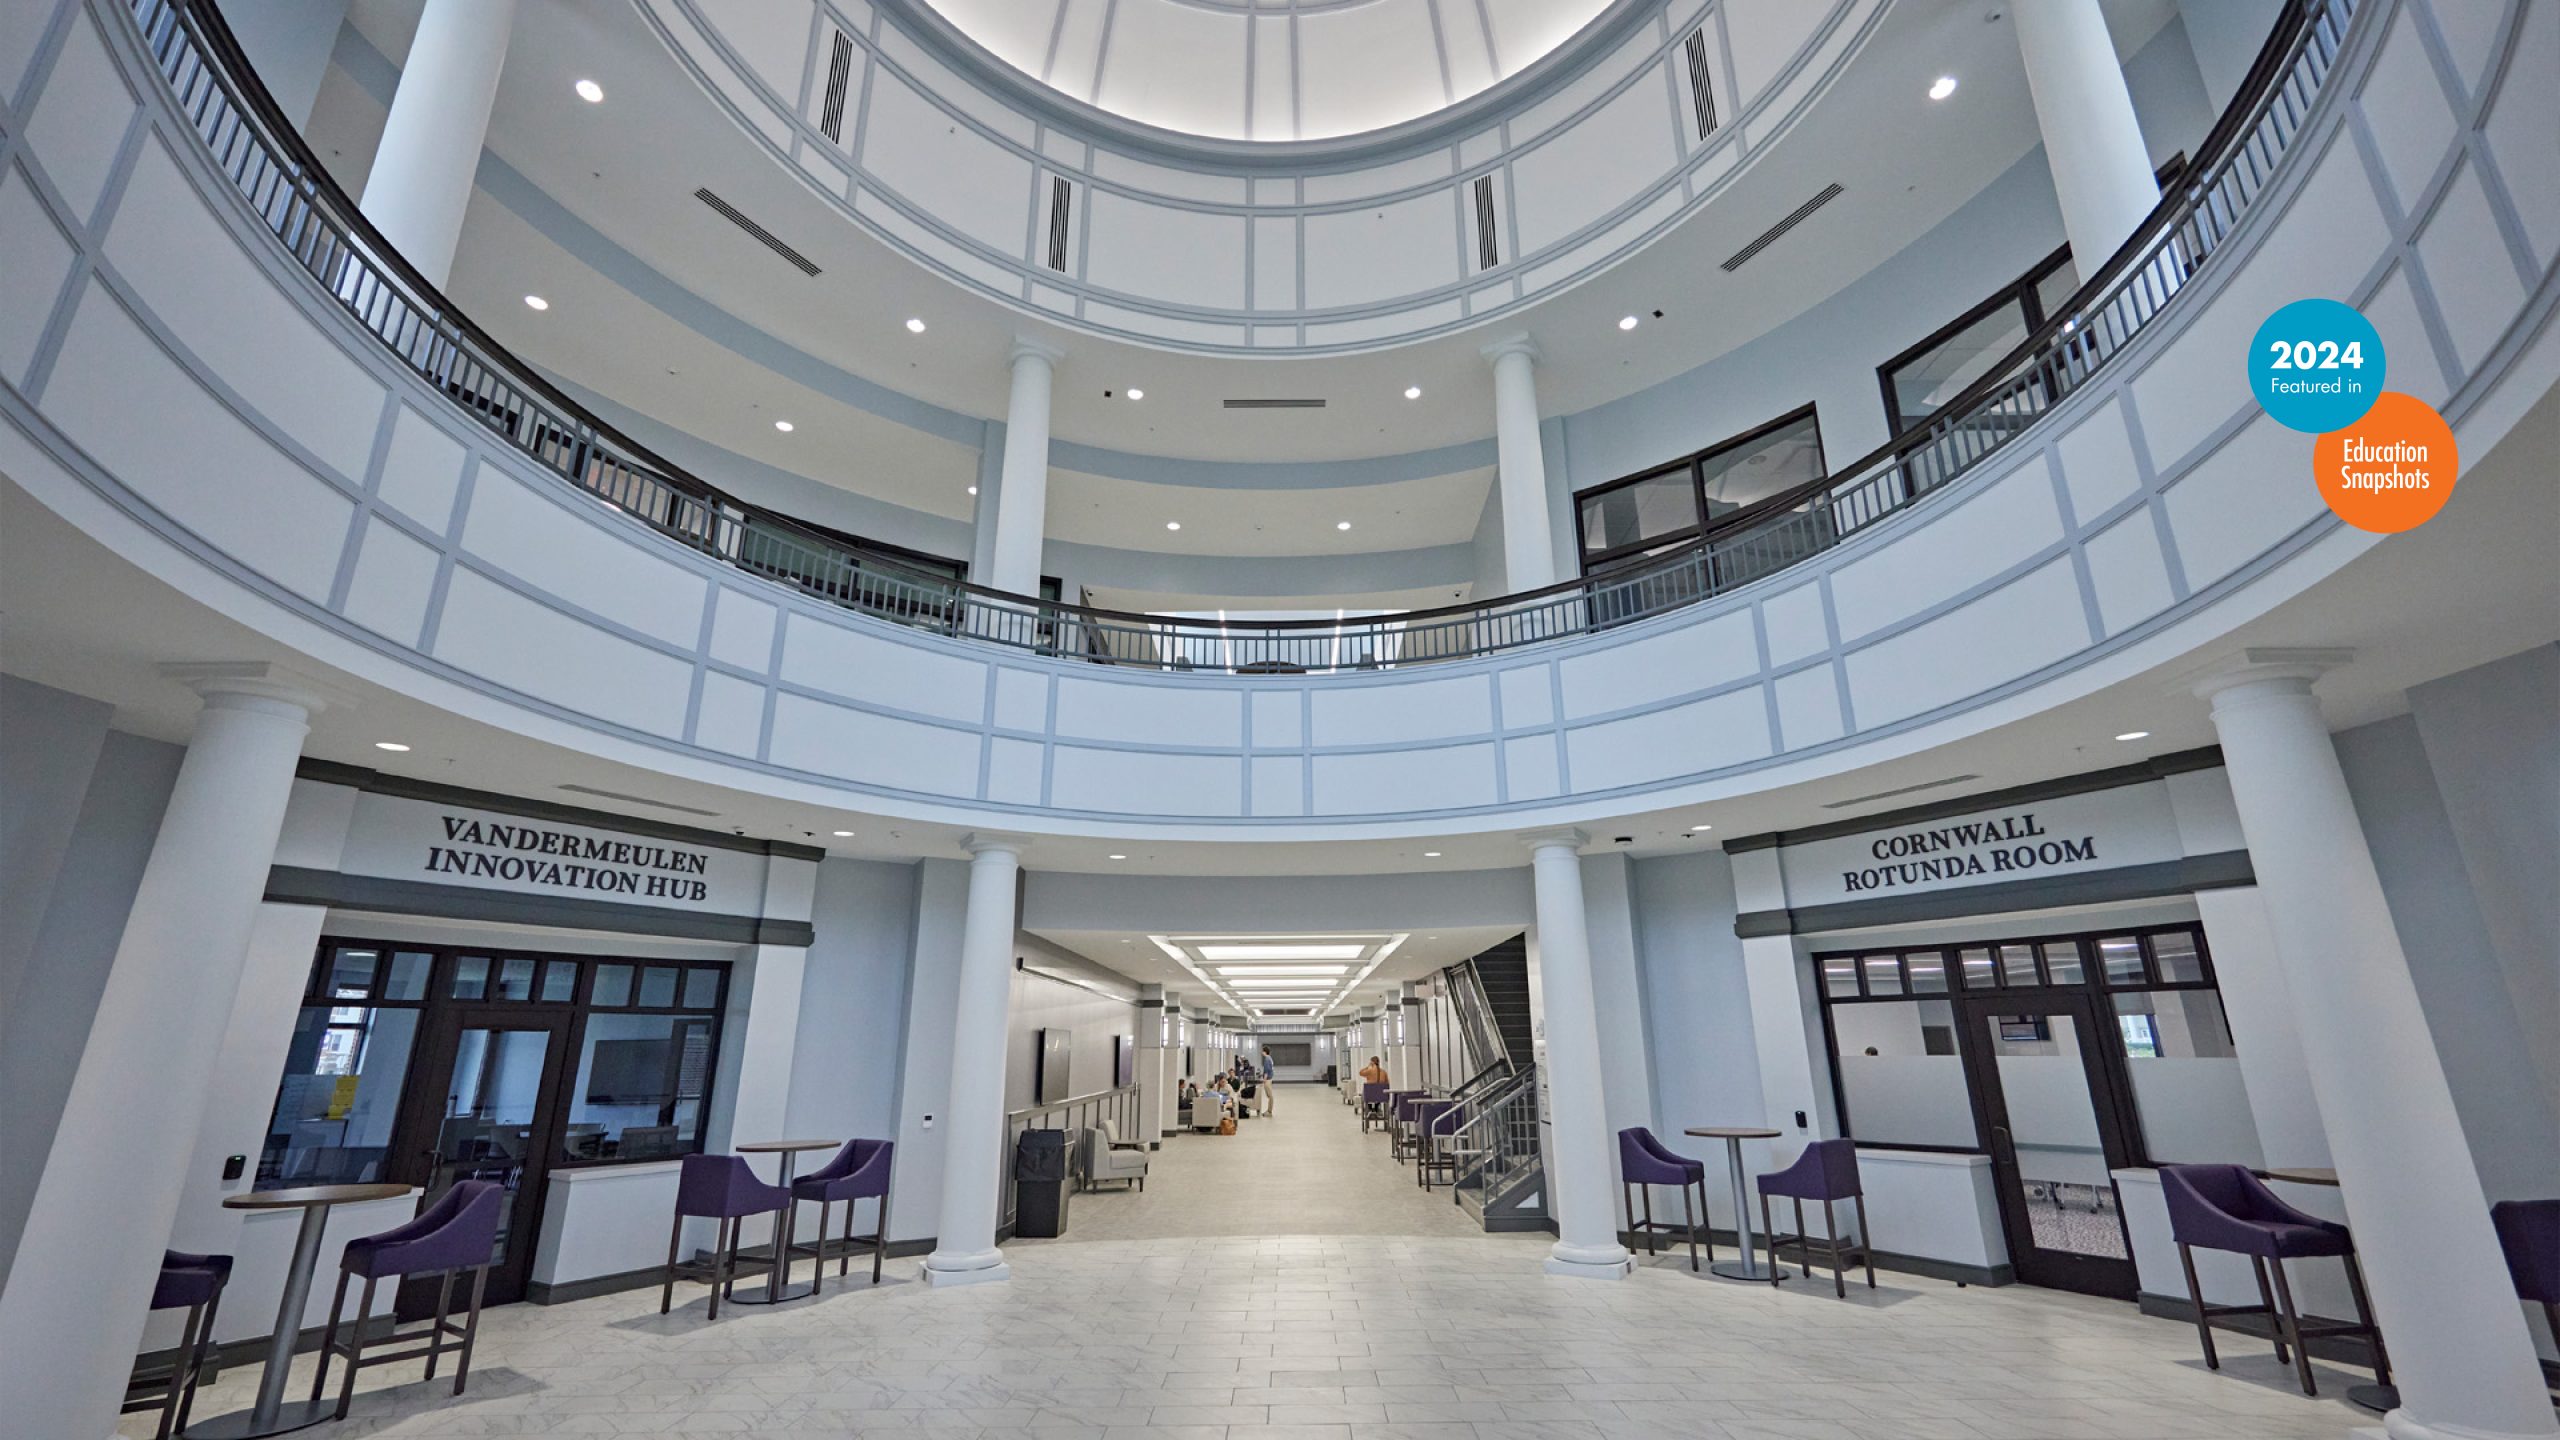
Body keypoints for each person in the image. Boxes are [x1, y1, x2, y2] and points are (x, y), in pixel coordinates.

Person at [1257, 1046, 1276, 1115]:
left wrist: (1264, 1080)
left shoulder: (1267, 1059)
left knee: (1270, 1096)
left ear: (1265, 1051)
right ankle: (1269, 1110)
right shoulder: (1269, 1058)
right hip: (1269, 1079)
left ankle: (1269, 1111)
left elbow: (1267, 1071)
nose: (1261, 1052)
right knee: (1269, 1095)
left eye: (1262, 1051)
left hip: (1267, 1080)